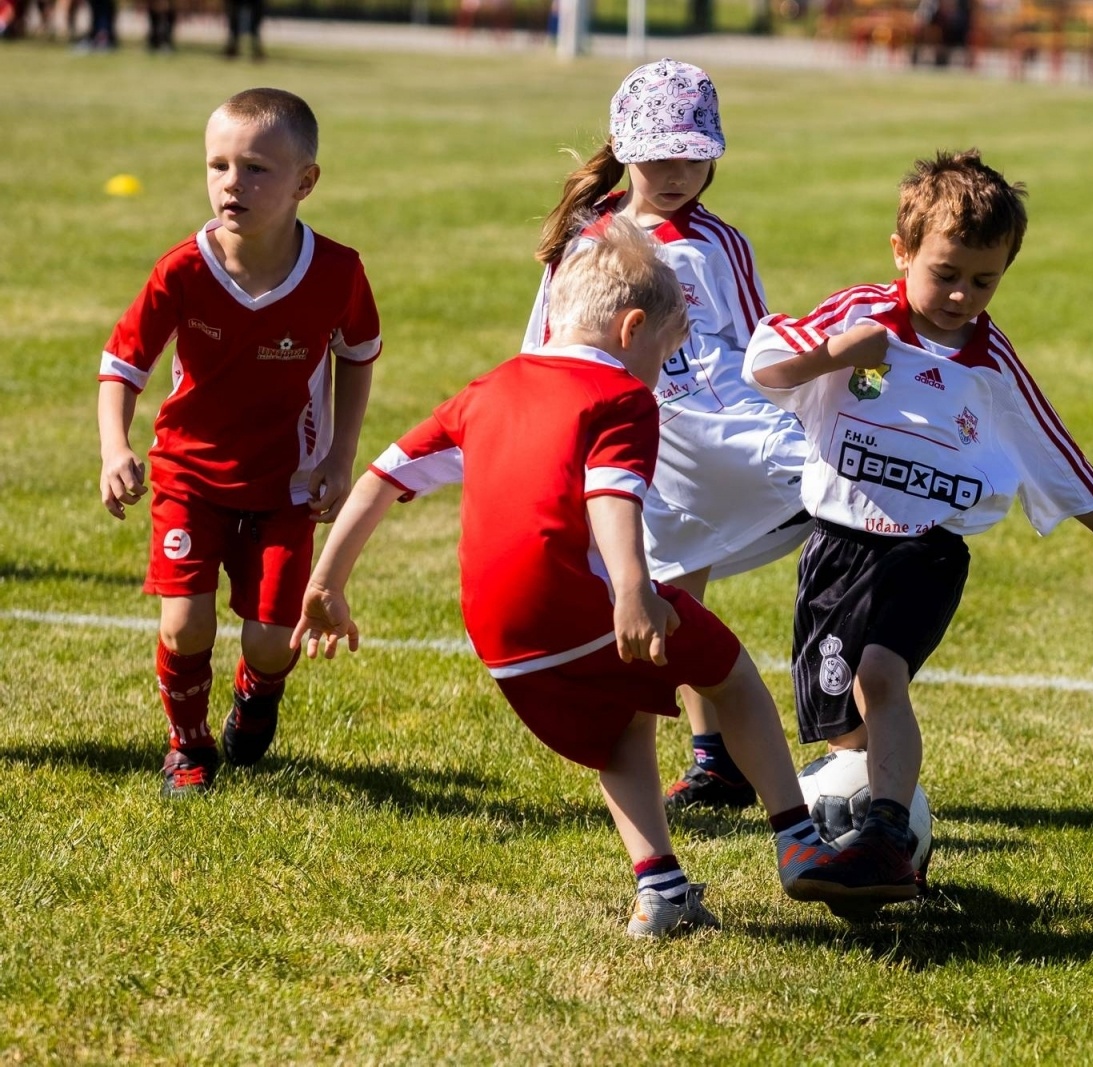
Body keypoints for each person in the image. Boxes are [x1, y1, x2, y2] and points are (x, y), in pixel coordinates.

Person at [293, 219, 901, 936]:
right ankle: (799, 841)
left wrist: (326, 582)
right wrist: (633, 589)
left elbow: (381, 477)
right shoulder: (620, 396)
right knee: (733, 678)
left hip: (497, 633)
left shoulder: (488, 388)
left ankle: (662, 891)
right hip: (576, 600)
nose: (660, 375)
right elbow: (612, 496)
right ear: (631, 329)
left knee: (621, 725)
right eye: (665, 356)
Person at [743, 151, 1093, 898]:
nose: (963, 294)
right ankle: (883, 830)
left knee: (880, 677)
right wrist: (836, 354)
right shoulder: (861, 314)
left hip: (928, 549)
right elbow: (765, 364)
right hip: (838, 547)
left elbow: (1042, 441)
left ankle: (886, 836)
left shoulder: (990, 359)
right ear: (902, 252)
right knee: (844, 727)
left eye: (984, 280)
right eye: (946, 273)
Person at [525, 59, 811, 814]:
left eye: (692, 155)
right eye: (658, 156)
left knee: (685, 598)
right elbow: (545, 347)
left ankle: (814, 740)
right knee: (658, 603)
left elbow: (759, 347)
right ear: (625, 150)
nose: (677, 173)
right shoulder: (584, 241)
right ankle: (710, 764)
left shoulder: (718, 244)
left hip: (713, 450)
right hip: (624, 451)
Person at [97, 88, 382, 798]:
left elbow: (357, 354)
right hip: (188, 476)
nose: (232, 183)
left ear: (305, 183)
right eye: (219, 166)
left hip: (286, 485)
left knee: (269, 640)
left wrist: (339, 455)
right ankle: (188, 745)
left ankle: (258, 692)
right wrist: (114, 447)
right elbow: (122, 364)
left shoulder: (337, 272)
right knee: (185, 623)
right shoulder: (183, 269)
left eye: (256, 169)